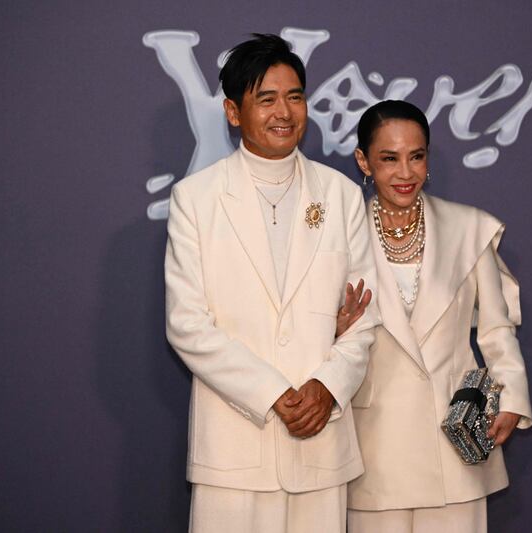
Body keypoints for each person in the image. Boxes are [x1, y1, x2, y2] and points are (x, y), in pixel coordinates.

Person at [164, 34, 379, 533]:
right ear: (234, 113)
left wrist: (328, 386)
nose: (285, 111)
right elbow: (186, 325)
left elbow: (367, 316)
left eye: (295, 96)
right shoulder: (196, 199)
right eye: (266, 99)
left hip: (320, 444)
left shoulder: (342, 194)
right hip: (233, 446)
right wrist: (271, 392)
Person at [343, 100, 532, 532]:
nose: (405, 172)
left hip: (454, 437)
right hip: (374, 442)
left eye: (416, 156)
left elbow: (497, 330)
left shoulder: (468, 228)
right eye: (389, 159)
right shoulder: (341, 235)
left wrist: (512, 398)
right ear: (364, 161)